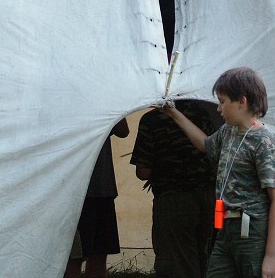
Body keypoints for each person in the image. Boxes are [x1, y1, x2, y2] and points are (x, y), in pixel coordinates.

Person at [163, 67, 275, 278]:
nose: (219, 108)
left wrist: (271, 256)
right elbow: (204, 144)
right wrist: (174, 113)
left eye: (222, 101)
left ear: (242, 102)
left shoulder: (264, 143)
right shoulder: (228, 132)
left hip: (253, 234)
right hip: (225, 229)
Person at [130, 100, 216, 278]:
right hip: (210, 197)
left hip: (173, 199)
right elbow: (215, 153)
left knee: (176, 261)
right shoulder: (201, 113)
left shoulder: (151, 119)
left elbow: (143, 171)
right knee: (210, 255)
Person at [65, 118, 129, 278]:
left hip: (100, 187)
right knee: (74, 256)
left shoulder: (102, 95)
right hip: (76, 190)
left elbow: (123, 130)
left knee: (98, 252)